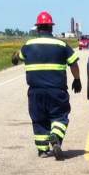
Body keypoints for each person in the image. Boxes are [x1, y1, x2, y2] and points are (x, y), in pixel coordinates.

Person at [12, 12, 82, 159]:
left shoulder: (29, 45)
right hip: (57, 91)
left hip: (36, 92)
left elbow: (17, 57)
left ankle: (43, 150)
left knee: (39, 120)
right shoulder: (62, 45)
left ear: (38, 28)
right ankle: (55, 136)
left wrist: (14, 57)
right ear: (51, 28)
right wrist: (77, 79)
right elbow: (73, 63)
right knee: (60, 117)